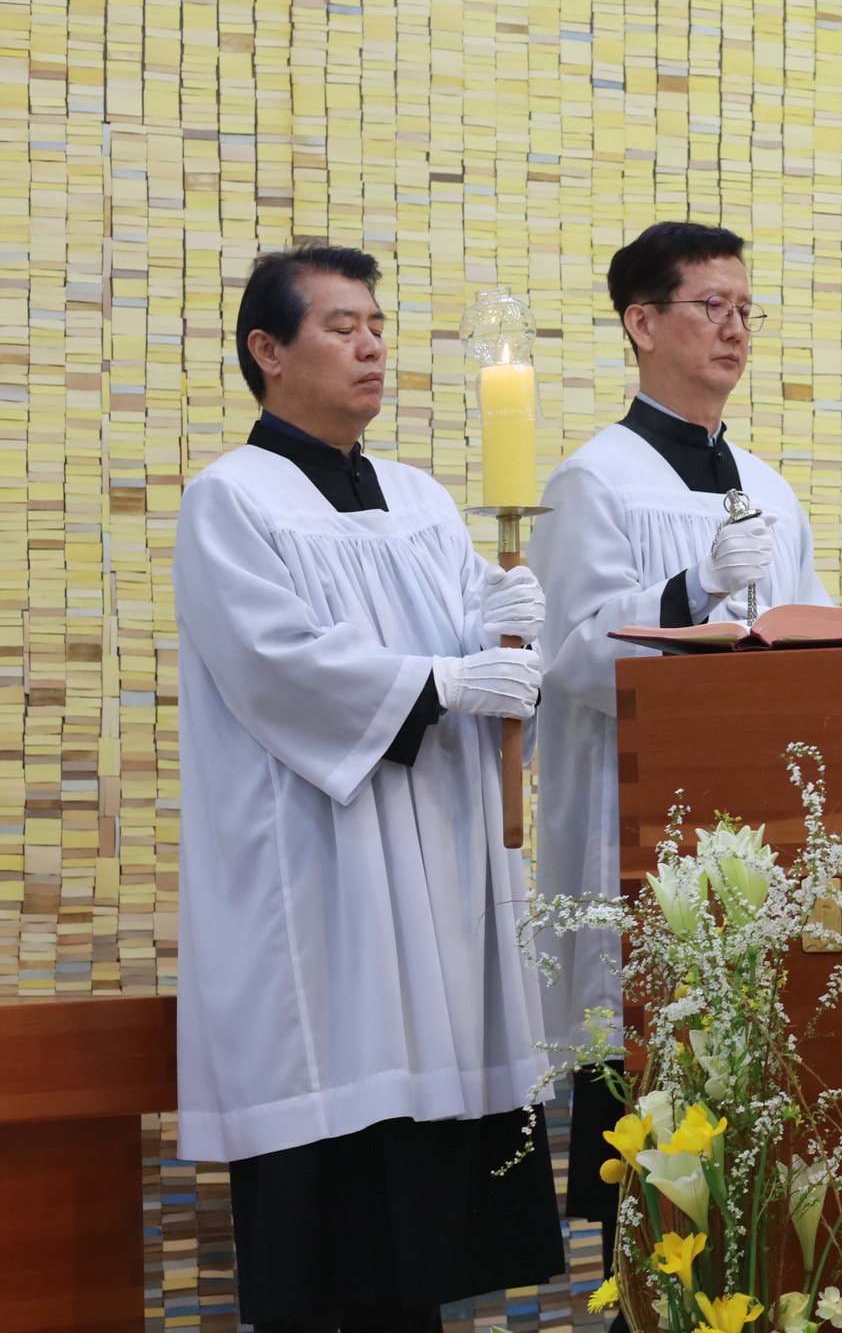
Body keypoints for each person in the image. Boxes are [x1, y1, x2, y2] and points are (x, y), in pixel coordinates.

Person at [174, 244, 563, 1329]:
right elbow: (279, 667)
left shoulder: (422, 501)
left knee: (418, 1258)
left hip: (436, 881)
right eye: (342, 327)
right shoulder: (231, 501)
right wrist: (447, 677)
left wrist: (509, 630)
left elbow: (490, 666)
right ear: (267, 350)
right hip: (321, 884)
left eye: (378, 326)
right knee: (332, 1240)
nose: (372, 346)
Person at [528, 220, 833, 1261]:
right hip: (638, 844)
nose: (735, 328)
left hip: (756, 844)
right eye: (712, 306)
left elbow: (804, 638)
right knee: (652, 1168)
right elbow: (571, 658)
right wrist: (691, 588)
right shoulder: (594, 482)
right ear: (643, 322)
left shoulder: (769, 487)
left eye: (746, 309)